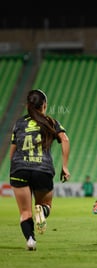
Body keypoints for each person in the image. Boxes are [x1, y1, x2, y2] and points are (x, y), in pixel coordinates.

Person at [9, 89, 70, 250]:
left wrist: (14, 168)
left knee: (24, 212)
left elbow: (13, 150)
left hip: (19, 169)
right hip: (42, 169)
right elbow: (64, 139)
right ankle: (41, 210)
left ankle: (30, 240)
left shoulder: (19, 123)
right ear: (44, 105)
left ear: (28, 105)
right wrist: (64, 166)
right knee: (46, 204)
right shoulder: (50, 121)